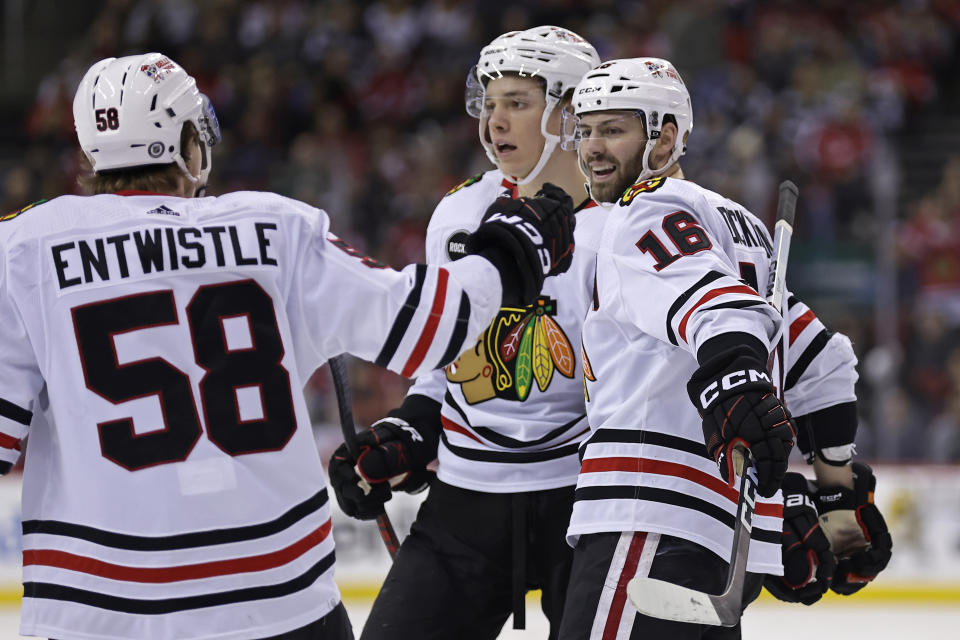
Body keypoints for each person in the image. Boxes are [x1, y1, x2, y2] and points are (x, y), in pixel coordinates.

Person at [0, 52, 576, 640]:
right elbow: (431, 328)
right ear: (189, 145)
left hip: (96, 613)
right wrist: (511, 250)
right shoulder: (273, 229)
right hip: (279, 605)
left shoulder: (22, 250)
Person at [555, 57, 891, 639]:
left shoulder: (644, 209)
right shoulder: (743, 226)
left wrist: (734, 375)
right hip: (722, 536)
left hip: (645, 518)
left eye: (613, 130)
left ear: (664, 136)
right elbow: (821, 364)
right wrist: (839, 487)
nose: (591, 149)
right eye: (584, 131)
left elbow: (715, 309)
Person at [327, 26, 601, 640]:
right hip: (468, 497)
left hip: (583, 502)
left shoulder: (620, 226)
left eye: (518, 103)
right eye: (490, 102)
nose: (495, 120)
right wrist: (411, 429)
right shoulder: (458, 214)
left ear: (571, 111)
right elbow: (447, 362)